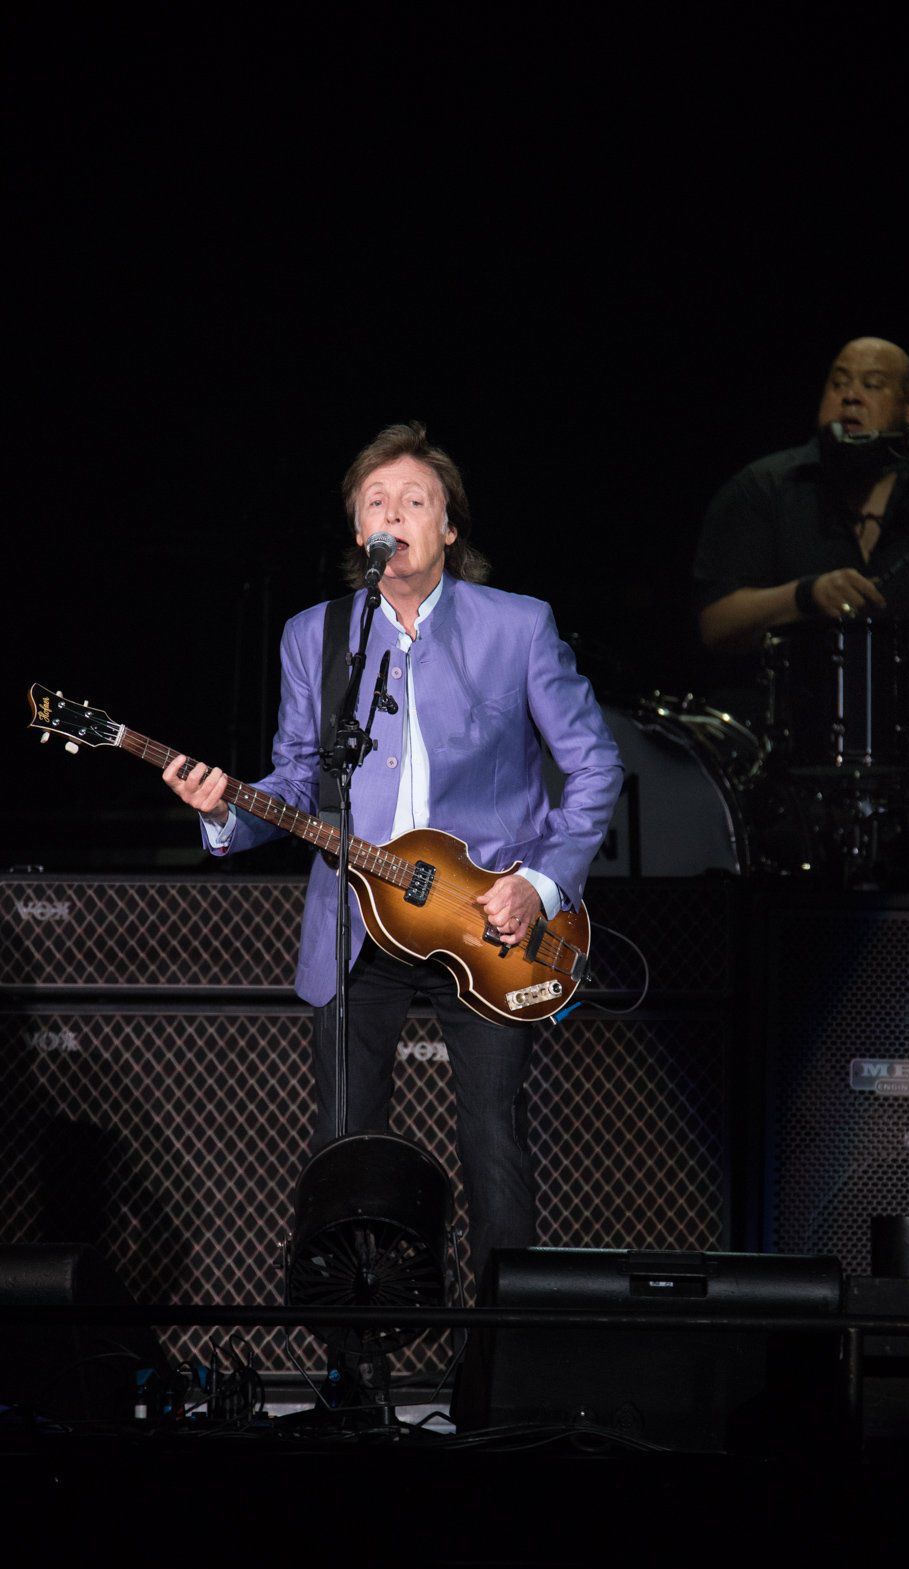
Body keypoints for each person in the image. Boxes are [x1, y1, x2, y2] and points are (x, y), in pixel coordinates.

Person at [162, 421, 624, 1292]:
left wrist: (538, 882)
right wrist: (225, 811)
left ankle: (501, 1366)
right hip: (357, 923)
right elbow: (298, 779)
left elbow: (595, 764)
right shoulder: (316, 635)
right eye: (377, 501)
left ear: (449, 528)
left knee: (492, 1139)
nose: (395, 513)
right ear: (356, 531)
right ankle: (353, 1366)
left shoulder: (517, 627)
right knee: (342, 1144)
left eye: (416, 500)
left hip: (488, 920)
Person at [694, 336, 909, 665]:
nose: (851, 397)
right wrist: (805, 596)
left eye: (872, 385)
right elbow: (716, 626)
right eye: (839, 384)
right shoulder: (761, 489)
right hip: (775, 721)